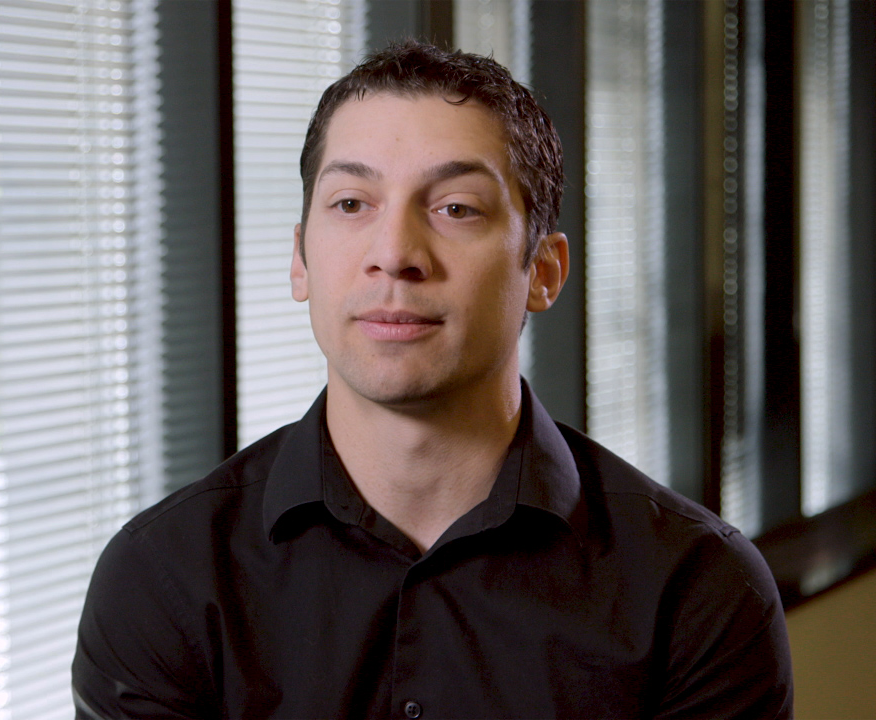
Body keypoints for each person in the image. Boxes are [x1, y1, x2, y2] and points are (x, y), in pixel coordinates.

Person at [73, 40, 792, 719]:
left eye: (455, 208)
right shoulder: (162, 579)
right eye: (351, 203)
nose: (394, 253)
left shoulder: (698, 590)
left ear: (543, 271)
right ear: (299, 260)